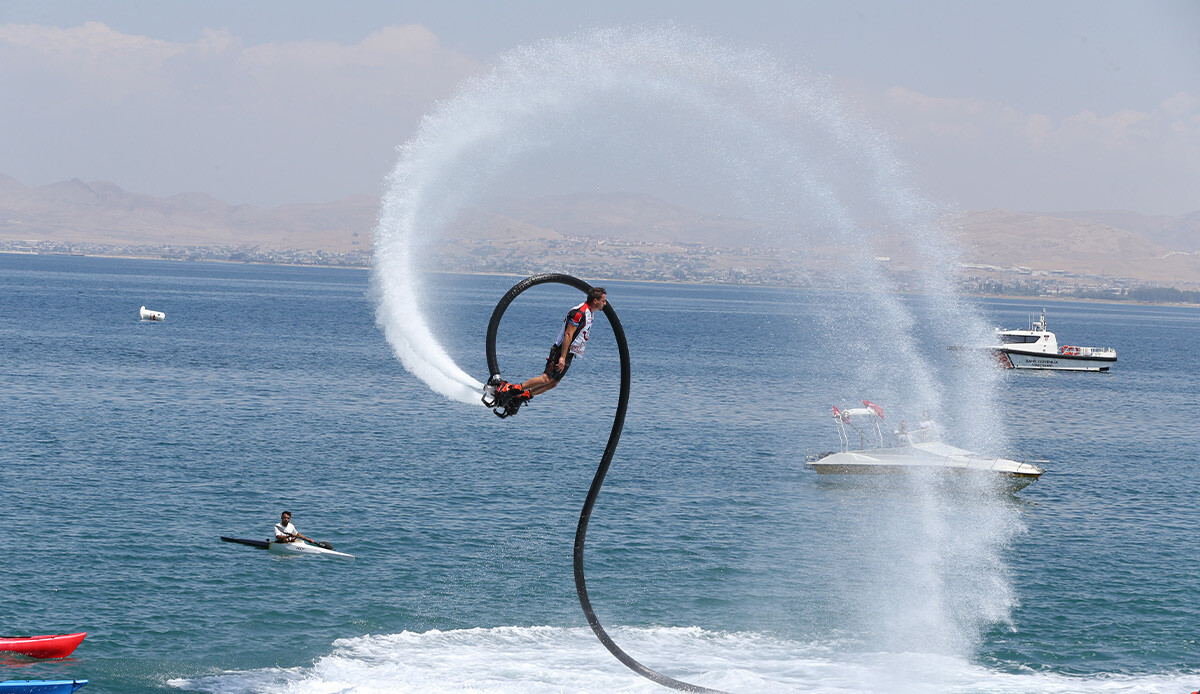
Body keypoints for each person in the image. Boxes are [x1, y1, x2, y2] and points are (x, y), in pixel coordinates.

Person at [489, 287, 608, 417]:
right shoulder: (580, 312)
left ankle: (521, 397)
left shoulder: (590, 312)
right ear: (595, 300)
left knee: (553, 383)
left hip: (570, 353)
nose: (605, 303)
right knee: (546, 378)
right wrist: (562, 357)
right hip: (562, 351)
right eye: (604, 301)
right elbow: (568, 334)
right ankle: (511, 389)